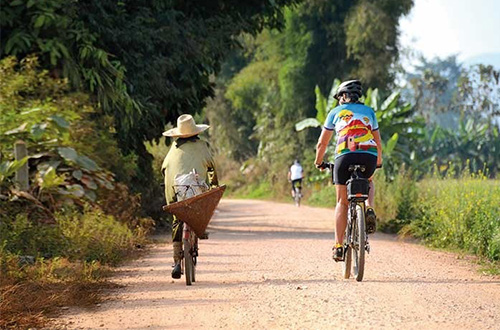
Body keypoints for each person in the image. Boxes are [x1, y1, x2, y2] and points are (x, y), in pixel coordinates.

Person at [314, 80, 382, 261]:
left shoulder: (335, 113)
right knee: (368, 180)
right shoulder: (369, 112)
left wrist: (318, 162)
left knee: (342, 202)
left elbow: (322, 143)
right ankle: (369, 207)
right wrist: (378, 162)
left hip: (344, 157)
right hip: (369, 156)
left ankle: (338, 246)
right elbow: (378, 142)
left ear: (343, 96)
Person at [161, 114, 218, 279]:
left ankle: (177, 262)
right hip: (196, 191)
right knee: (200, 209)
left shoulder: (174, 148)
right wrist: (214, 184)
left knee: (176, 220)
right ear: (196, 133)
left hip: (175, 191)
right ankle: (200, 230)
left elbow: (164, 168)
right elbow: (212, 166)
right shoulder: (202, 145)